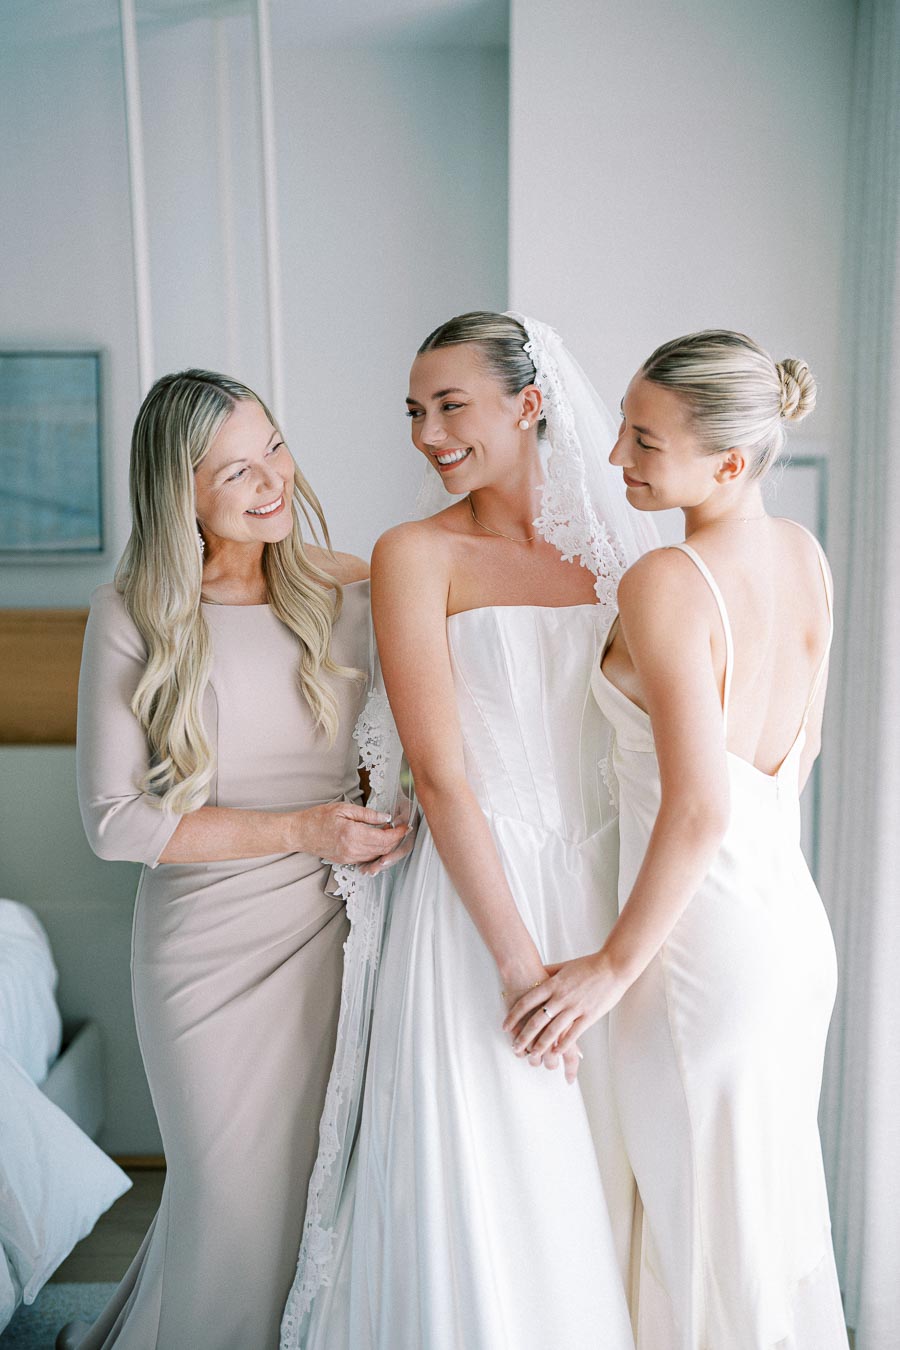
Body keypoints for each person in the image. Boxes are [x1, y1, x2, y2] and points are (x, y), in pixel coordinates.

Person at [281, 312, 658, 1350]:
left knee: (602, 1183)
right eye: (415, 412)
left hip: (604, 896)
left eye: (451, 406)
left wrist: (621, 953)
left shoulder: (623, 557)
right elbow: (441, 779)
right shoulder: (415, 553)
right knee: (494, 1184)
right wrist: (518, 965)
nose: (428, 434)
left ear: (529, 405)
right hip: (475, 907)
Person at [506, 331, 849, 1349]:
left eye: (645, 440)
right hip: (788, 929)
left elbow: (699, 806)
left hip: (700, 954)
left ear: (730, 463)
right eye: (624, 425)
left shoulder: (668, 580)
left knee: (702, 1238)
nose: (616, 453)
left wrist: (612, 967)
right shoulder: (805, 555)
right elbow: (799, 753)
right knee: (757, 1231)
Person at [64, 370, 408, 1350]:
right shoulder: (131, 611)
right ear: (178, 492)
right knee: (224, 1195)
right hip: (202, 952)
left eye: (275, 449)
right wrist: (303, 829)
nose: (272, 482)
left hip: (334, 928)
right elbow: (115, 824)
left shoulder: (356, 588)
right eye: (235, 472)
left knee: (308, 1192)